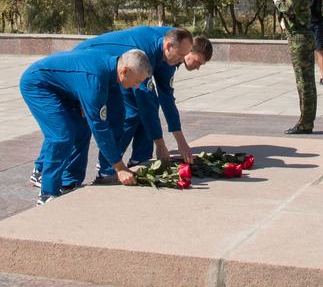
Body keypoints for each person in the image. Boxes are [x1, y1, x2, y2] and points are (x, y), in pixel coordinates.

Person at [26, 27, 212, 190]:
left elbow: (166, 99)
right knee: (72, 128)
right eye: (183, 57)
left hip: (116, 71)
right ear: (169, 46)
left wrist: (180, 142)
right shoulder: (143, 54)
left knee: (120, 116)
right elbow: (145, 100)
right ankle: (45, 171)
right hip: (90, 68)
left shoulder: (172, 51)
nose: (182, 62)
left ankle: (107, 170)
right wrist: (160, 145)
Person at [20, 47, 152, 203]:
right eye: (137, 81)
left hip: (64, 87)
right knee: (62, 136)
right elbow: (100, 128)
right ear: (124, 71)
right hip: (38, 85)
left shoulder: (112, 68)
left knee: (82, 130)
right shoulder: (95, 80)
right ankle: (47, 193)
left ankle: (69, 183)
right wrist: (119, 168)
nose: (137, 86)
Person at [274, 0, 316, 135]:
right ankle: (306, 121)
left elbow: (287, 8)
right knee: (304, 81)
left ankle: (305, 123)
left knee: (304, 82)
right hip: (299, 37)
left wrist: (277, 0)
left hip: (300, 39)